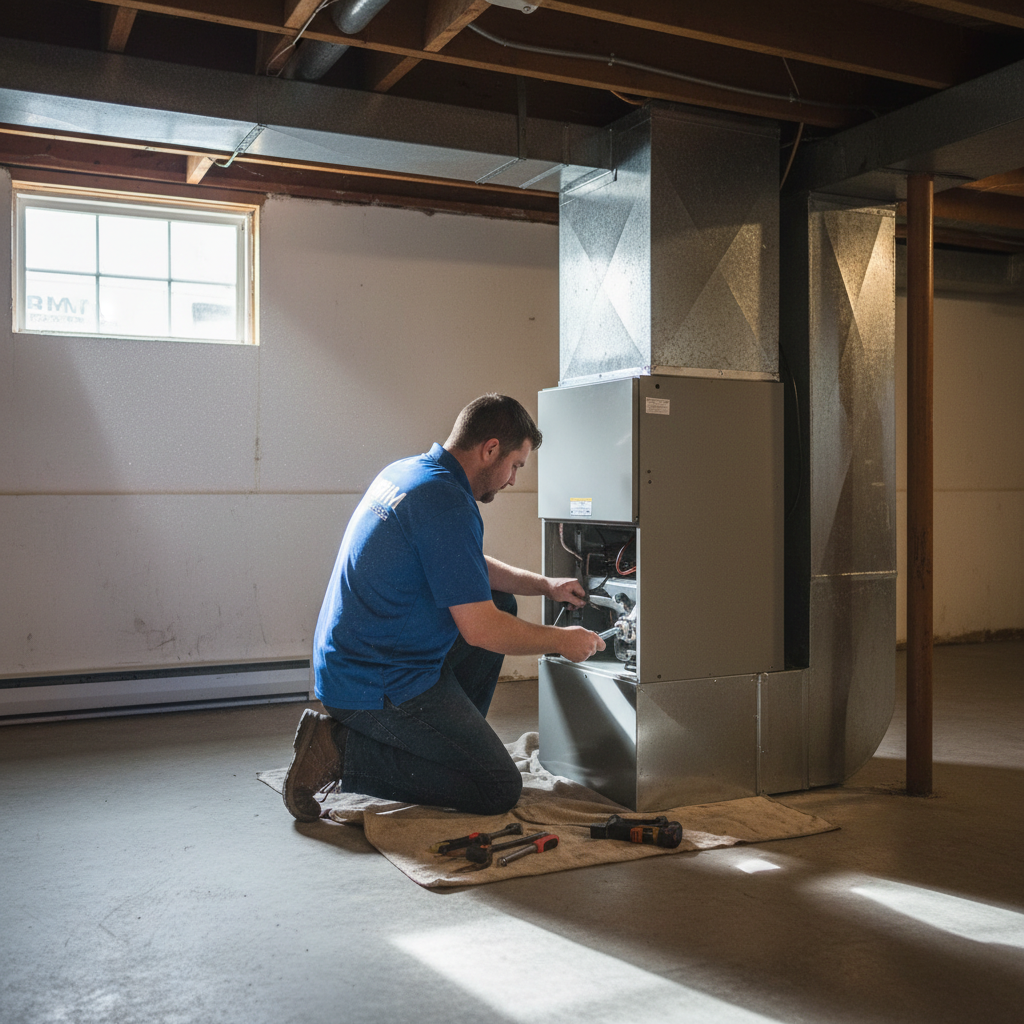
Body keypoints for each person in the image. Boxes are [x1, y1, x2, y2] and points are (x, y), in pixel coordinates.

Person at [282, 394, 605, 821]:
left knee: (502, 599)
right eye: (516, 465)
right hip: (374, 683)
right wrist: (562, 641)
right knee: (496, 787)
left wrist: (544, 586)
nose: (512, 480)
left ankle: (447, 745)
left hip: (354, 660)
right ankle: (340, 753)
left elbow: (463, 564)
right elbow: (483, 631)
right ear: (490, 449)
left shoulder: (413, 473)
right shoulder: (446, 502)